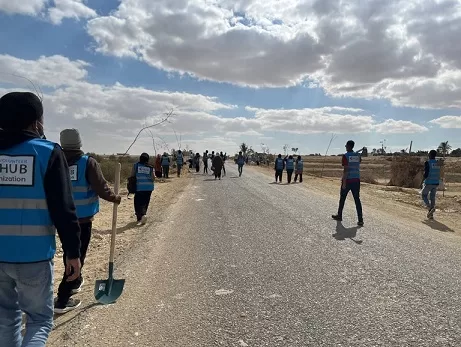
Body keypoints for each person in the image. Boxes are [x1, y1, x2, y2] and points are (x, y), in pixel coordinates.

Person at [0, 92, 81, 346]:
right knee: (39, 320)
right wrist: (73, 252)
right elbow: (64, 210)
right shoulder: (47, 152)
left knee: (6, 319)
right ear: (36, 121)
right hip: (33, 256)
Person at [55, 128, 122, 313]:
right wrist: (114, 198)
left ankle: (75, 281)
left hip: (60, 218)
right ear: (79, 142)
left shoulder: (54, 160)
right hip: (81, 219)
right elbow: (101, 188)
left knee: (70, 251)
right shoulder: (88, 162)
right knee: (77, 256)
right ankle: (62, 298)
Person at [332, 140, 363, 226]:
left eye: (346, 146)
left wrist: (344, 182)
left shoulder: (345, 156)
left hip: (348, 180)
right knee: (357, 199)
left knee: (342, 198)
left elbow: (345, 170)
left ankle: (339, 215)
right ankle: (360, 219)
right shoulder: (357, 155)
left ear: (349, 146)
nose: (345, 147)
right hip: (356, 180)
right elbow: (359, 161)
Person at [132, 153, 154, 225]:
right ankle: (143, 215)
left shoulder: (136, 165)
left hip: (139, 187)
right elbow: (153, 178)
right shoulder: (150, 167)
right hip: (149, 188)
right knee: (145, 202)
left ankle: (140, 217)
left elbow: (132, 175)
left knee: (137, 202)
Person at [422, 150, 441, 219]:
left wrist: (421, 181)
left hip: (429, 182)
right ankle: (431, 214)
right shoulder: (438, 163)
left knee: (424, 195)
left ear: (429, 155)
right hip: (436, 183)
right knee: (432, 197)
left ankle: (430, 208)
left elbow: (426, 174)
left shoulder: (427, 163)